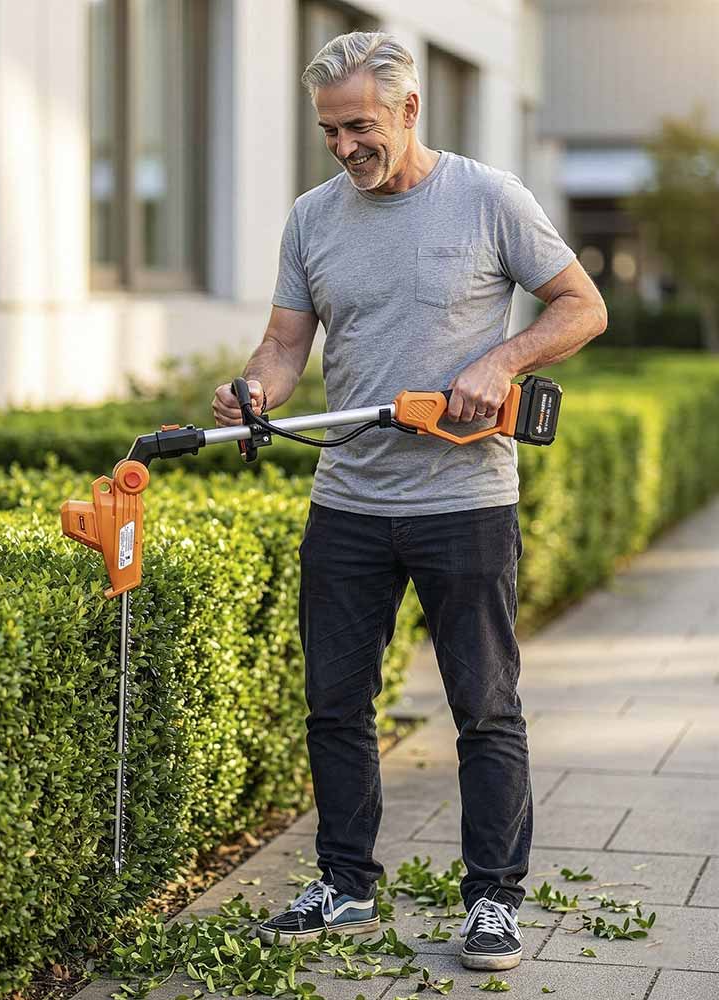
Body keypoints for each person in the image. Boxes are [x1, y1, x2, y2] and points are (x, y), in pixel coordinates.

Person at [211, 32, 606, 972]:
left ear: (410, 110)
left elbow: (581, 307)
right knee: (335, 704)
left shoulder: (488, 198)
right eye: (329, 131)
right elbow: (282, 345)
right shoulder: (313, 218)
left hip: (464, 498)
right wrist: (256, 389)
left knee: (484, 704)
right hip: (348, 498)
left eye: (360, 126)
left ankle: (493, 901)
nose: (345, 146)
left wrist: (500, 359)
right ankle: (345, 885)